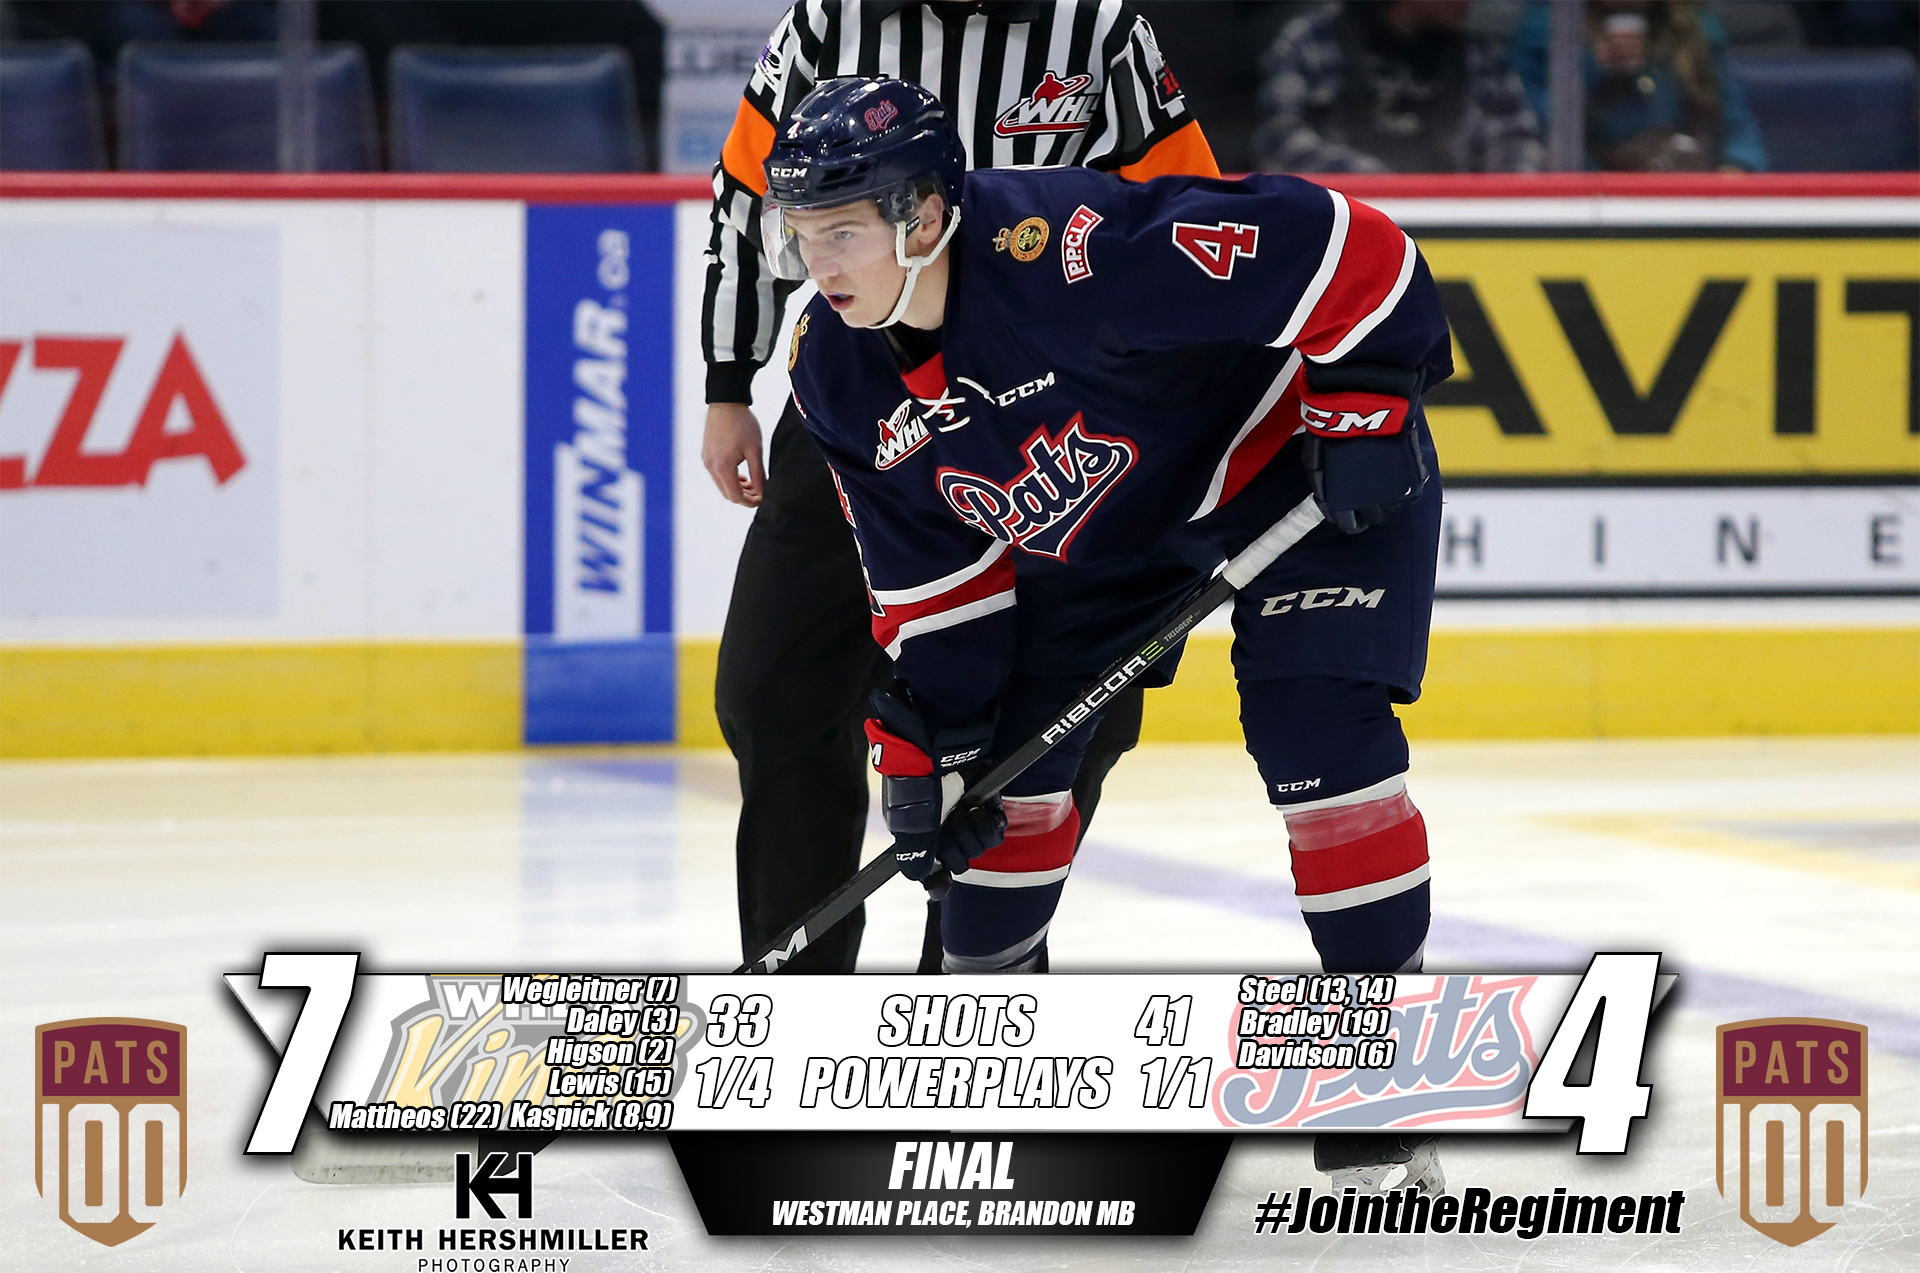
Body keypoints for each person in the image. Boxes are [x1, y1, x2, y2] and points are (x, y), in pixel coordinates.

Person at [768, 75, 1452, 1193]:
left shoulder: (1073, 253)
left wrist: (1366, 400)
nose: (819, 265)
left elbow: (1352, 249)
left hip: (1299, 479)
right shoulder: (833, 371)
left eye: (841, 232)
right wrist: (934, 742)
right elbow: (936, 584)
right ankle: (993, 1073)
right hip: (1108, 538)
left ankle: (1380, 1085)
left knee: (1321, 746)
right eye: (801, 234)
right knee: (1001, 785)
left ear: (924, 215)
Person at [703, 0, 1220, 977]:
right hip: (862, 402)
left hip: (1055, 413)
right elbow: (747, 193)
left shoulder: (1098, 28)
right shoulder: (829, 20)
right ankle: (796, 995)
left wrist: (1180, 424)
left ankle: (974, 991)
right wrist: (729, 382)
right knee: (775, 693)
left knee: (1056, 719)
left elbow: (1185, 210)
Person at [1254, 0, 1545, 173]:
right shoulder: (1314, 39)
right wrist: (1374, 183)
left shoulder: (1477, 52)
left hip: (1456, 224)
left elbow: (1517, 138)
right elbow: (1279, 139)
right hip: (1341, 223)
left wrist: (1494, 198)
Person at [1511, 0, 1768, 171]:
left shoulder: (1697, 32)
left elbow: (1737, 127)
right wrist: (1592, 68)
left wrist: (1736, 168)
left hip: (1682, 189)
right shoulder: (1548, 33)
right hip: (1591, 197)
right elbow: (1535, 131)